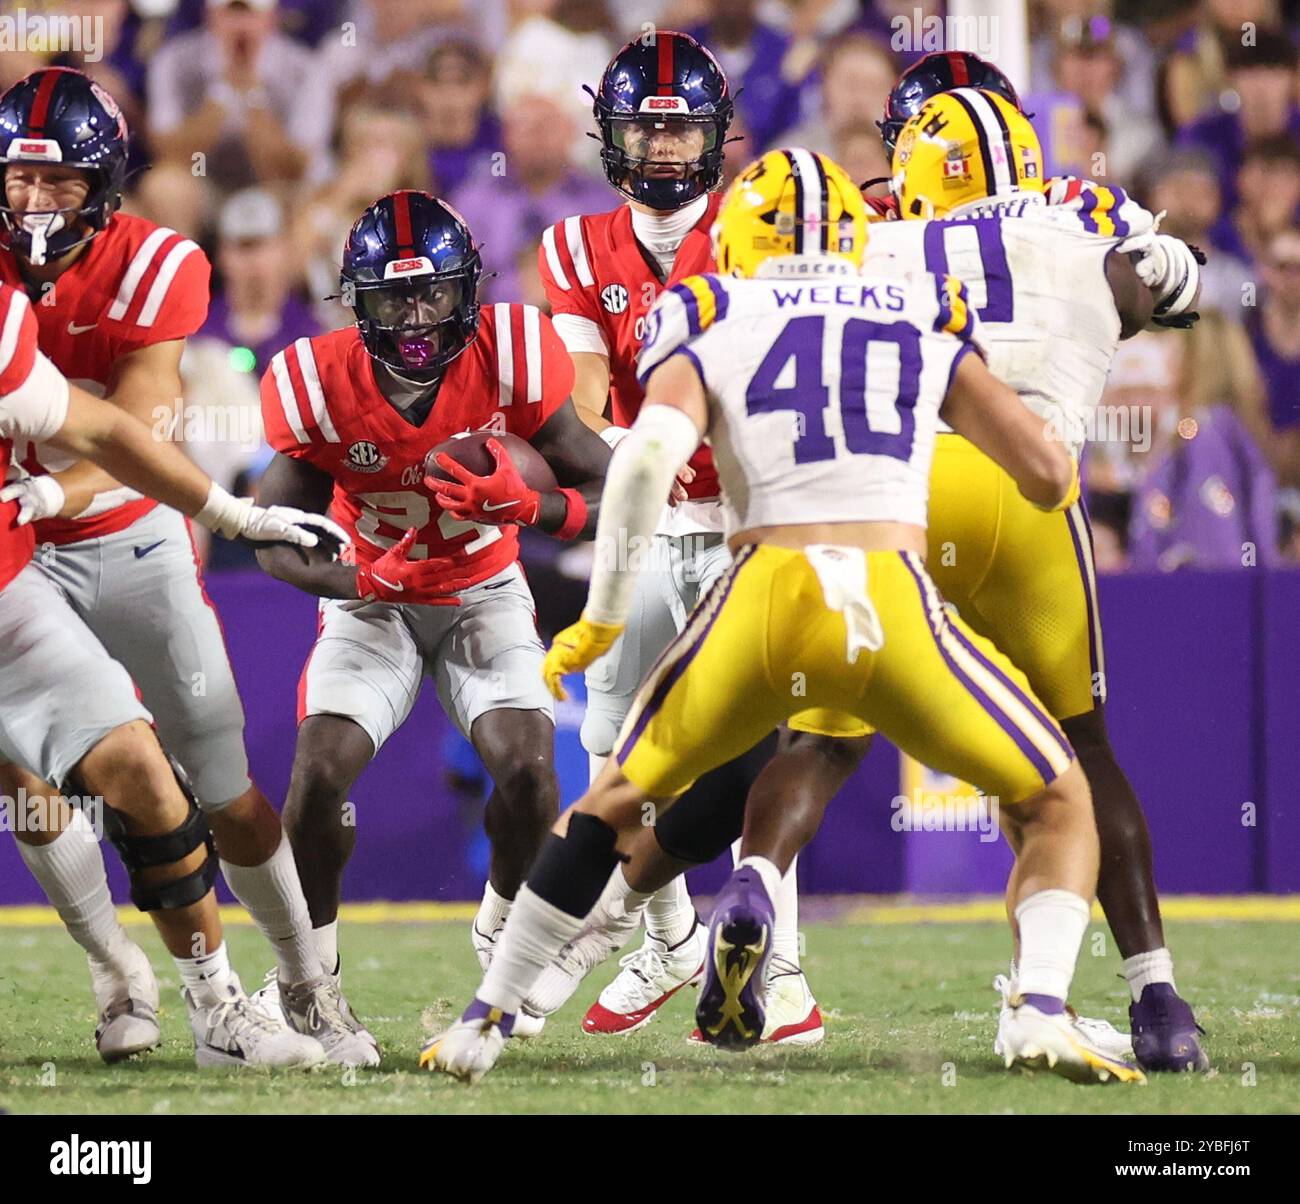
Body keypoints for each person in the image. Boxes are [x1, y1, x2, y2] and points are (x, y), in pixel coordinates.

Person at [422, 149, 1142, 1088]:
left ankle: (487, 1017)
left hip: (762, 595)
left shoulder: (709, 311)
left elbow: (641, 464)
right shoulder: (920, 309)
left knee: (613, 800)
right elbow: (1049, 475)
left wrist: (600, 618)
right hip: (889, 597)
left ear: (735, 239)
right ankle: (1040, 1004)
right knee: (1057, 796)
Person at [0, 68, 375, 1067]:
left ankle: (303, 981)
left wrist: (50, 492)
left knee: (216, 777)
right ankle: (117, 970)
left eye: (59, 184)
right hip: (13, 554)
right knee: (29, 777)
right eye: (18, 182)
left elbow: (133, 423)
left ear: (105, 182)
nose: (34, 205)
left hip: (122, 532)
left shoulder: (157, 261)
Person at [251, 191, 611, 1047]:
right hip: (373, 602)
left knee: (528, 771)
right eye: (392, 299)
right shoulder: (319, 381)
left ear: (466, 294)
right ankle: (311, 976)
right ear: (357, 303)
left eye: (433, 295)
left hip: (482, 588)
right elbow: (272, 535)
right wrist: (357, 573)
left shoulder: (518, 356)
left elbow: (608, 488)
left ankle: (498, 926)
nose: (415, 317)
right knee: (317, 779)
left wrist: (531, 502)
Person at [530, 30, 832, 1046]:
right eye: (646, 130)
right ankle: (663, 939)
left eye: (683, 129)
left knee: (755, 752)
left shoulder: (765, 225)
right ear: (610, 137)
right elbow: (575, 418)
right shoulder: (574, 248)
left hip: (749, 519)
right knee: (616, 750)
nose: (664, 150)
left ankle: (775, 965)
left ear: (717, 135)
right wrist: (651, 450)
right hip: (645, 517)